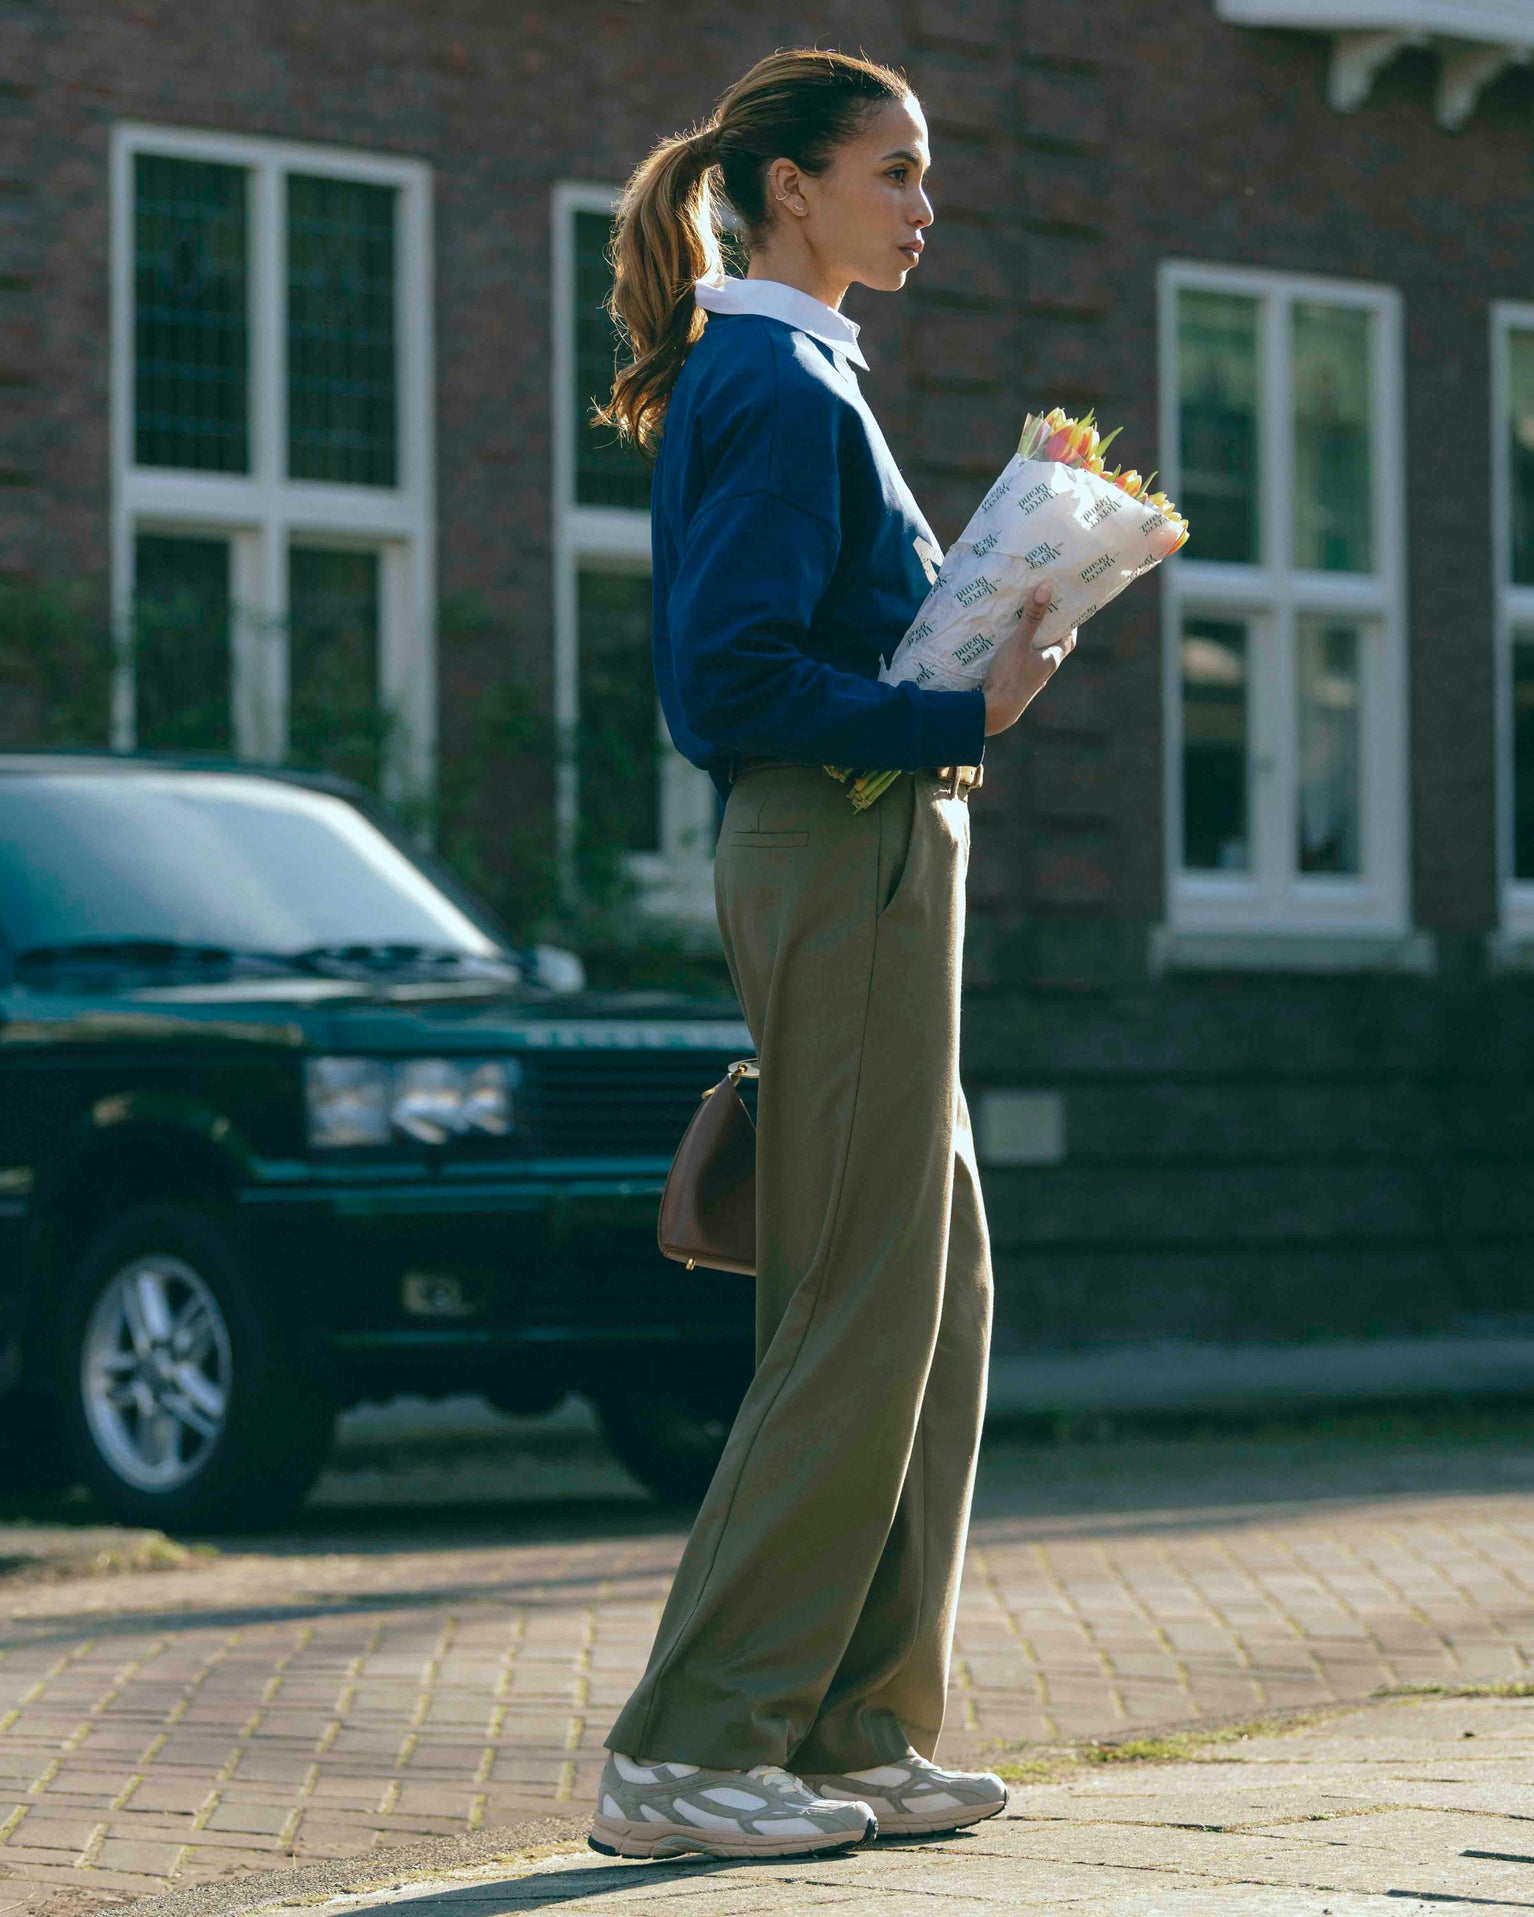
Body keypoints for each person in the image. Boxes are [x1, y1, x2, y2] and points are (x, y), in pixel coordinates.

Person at [585, 46, 1076, 1865]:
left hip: (882, 838)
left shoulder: (802, 371)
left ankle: (857, 1726)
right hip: (839, 841)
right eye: (895, 171)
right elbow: (728, 681)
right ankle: (691, 1744)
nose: (923, 205)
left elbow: (843, 647)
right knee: (855, 1302)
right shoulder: (778, 380)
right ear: (790, 186)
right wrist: (950, 701)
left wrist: (992, 644)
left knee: (933, 1295)